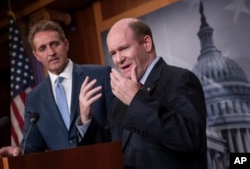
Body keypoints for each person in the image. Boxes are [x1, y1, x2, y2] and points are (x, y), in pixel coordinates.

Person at [78, 18, 207, 169]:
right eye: (113, 53)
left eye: (124, 48)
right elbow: (110, 150)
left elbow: (190, 138)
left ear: (147, 44)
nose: (118, 59)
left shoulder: (180, 79)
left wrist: (136, 100)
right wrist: (86, 120)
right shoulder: (120, 99)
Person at [0, 20, 113, 156]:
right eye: (43, 48)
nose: (51, 52)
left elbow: (118, 128)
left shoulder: (100, 75)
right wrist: (18, 151)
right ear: (37, 56)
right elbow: (32, 147)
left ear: (66, 45)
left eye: (55, 44)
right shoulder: (34, 98)